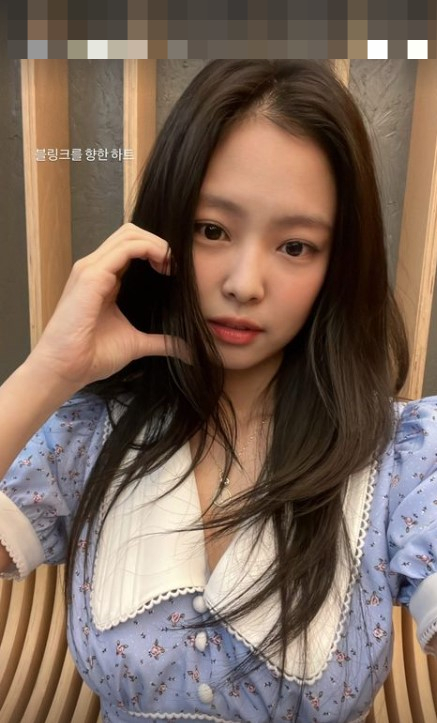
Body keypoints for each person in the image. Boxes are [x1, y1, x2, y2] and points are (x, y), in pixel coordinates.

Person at [0, 59, 436, 723]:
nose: (243, 283)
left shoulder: (403, 459)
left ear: (338, 265)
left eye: (295, 246)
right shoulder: (85, 435)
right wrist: (50, 369)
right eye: (212, 230)